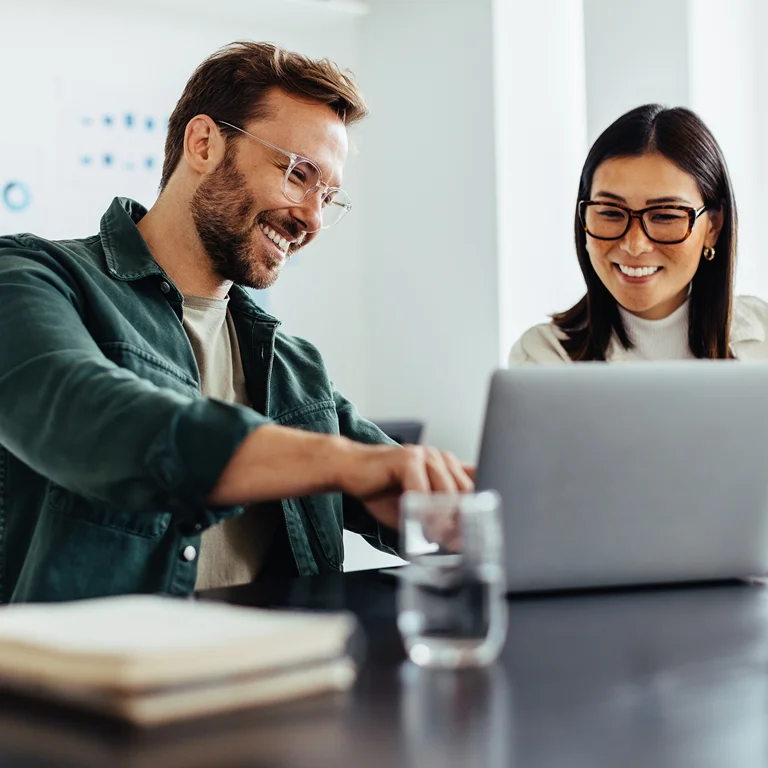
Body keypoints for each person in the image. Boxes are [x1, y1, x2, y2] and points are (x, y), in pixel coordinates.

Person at [0, 42, 472, 603]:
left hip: (285, 676)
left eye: (329, 196)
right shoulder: (33, 276)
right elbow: (89, 412)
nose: (312, 219)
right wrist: (342, 462)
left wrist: (452, 502)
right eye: (298, 174)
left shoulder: (297, 368)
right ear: (203, 143)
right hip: (98, 684)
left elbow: (394, 479)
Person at [509, 104, 768, 364]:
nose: (634, 245)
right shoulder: (543, 356)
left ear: (713, 227)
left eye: (665, 215)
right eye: (610, 212)